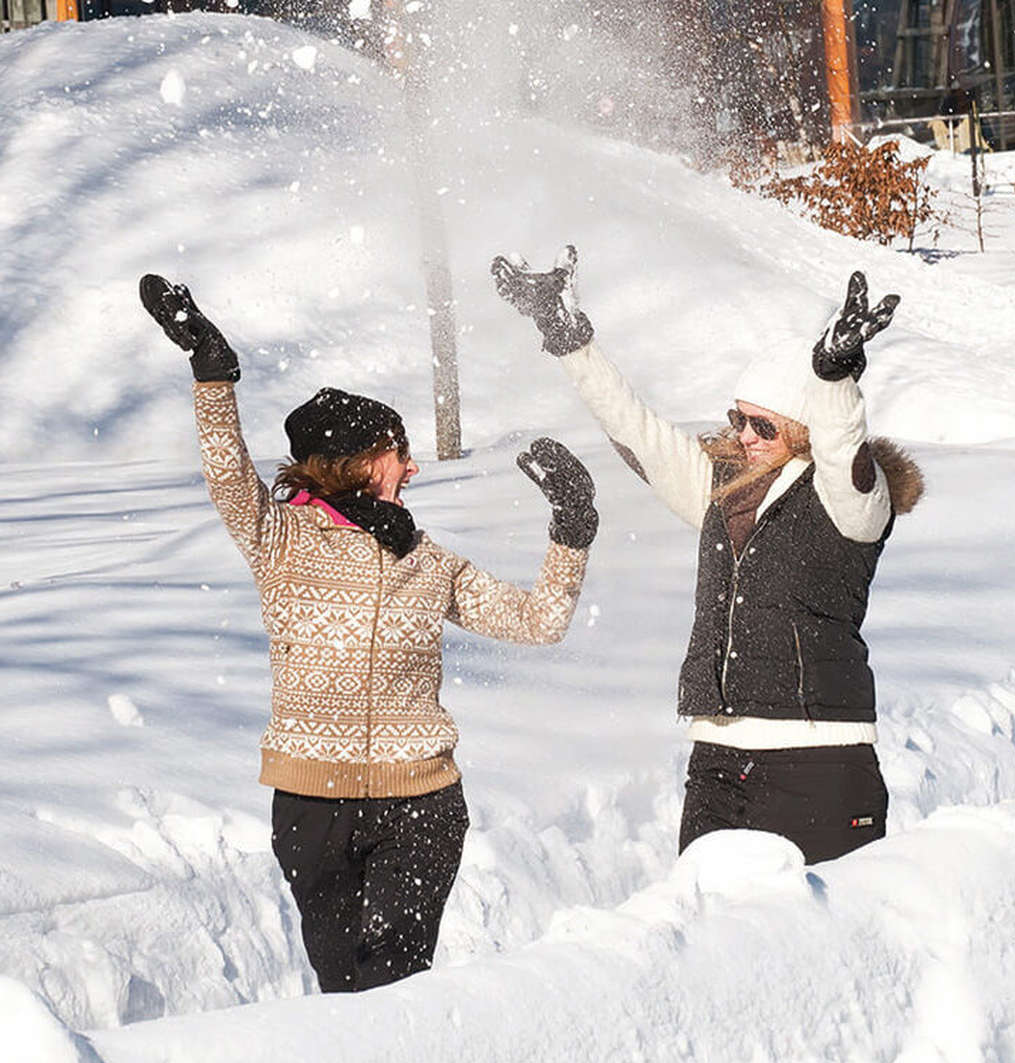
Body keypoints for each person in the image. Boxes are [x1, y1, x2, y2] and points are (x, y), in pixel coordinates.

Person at [139, 273, 598, 991]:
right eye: (398, 451)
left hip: (421, 806)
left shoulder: (426, 559)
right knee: (344, 990)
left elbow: (538, 622)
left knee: (393, 985)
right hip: (311, 807)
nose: (412, 466)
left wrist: (571, 530)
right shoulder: (281, 539)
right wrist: (213, 373)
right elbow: (228, 477)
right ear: (356, 462)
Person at [490, 248, 921, 865]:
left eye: (763, 426)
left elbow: (843, 456)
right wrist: (568, 339)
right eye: (737, 419)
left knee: (813, 949)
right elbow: (638, 432)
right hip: (717, 763)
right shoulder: (724, 492)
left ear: (802, 429)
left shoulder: (851, 506)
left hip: (819, 762)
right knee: (709, 945)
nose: (744, 435)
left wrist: (833, 384)